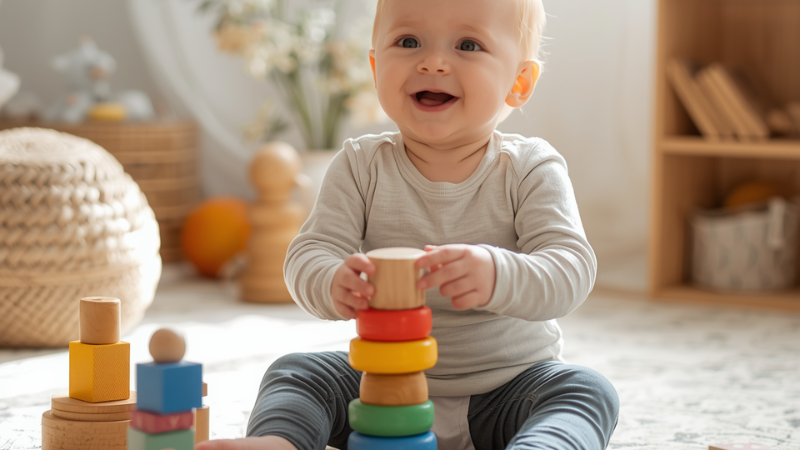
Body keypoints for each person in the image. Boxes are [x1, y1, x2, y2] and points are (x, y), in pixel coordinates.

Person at [197, 0, 619, 448]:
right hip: (380, 389)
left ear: (519, 82)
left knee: (587, 390)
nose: (433, 62)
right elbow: (309, 252)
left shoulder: (531, 167)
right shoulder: (360, 164)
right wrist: (331, 280)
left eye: (468, 44)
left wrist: (499, 273)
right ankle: (280, 441)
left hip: (507, 388)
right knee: (296, 371)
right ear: (376, 68)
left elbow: (571, 268)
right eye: (409, 41)